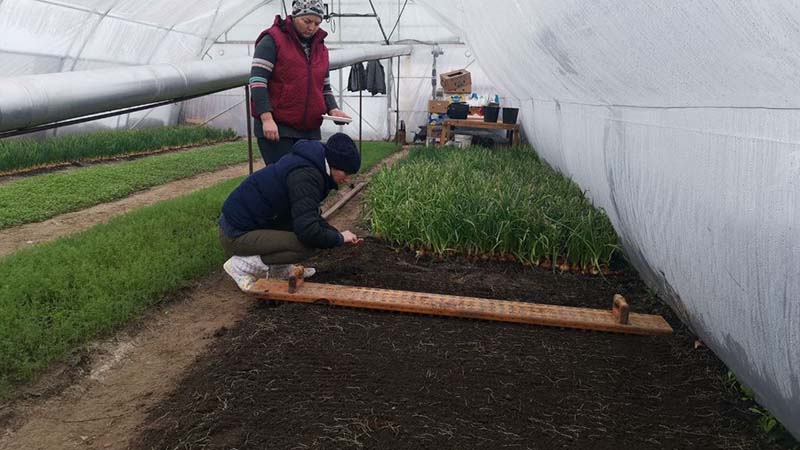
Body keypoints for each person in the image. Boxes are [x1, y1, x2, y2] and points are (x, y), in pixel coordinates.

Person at [218, 132, 363, 292]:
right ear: (335, 164)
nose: (347, 179)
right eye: (346, 173)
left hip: (257, 222)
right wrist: (339, 238)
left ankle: (280, 270)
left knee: (303, 230)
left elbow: (308, 215)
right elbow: (308, 230)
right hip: (236, 233)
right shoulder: (306, 175)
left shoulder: (313, 166)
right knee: (305, 245)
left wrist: (337, 233)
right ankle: (241, 266)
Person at [249, 0, 351, 165]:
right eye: (307, 21)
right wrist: (266, 118)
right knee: (286, 180)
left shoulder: (320, 47)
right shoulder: (272, 40)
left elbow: (323, 86)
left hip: (310, 130)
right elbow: (258, 81)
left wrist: (333, 109)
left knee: (308, 178)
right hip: (278, 129)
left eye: (317, 23)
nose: (312, 27)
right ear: (296, 15)